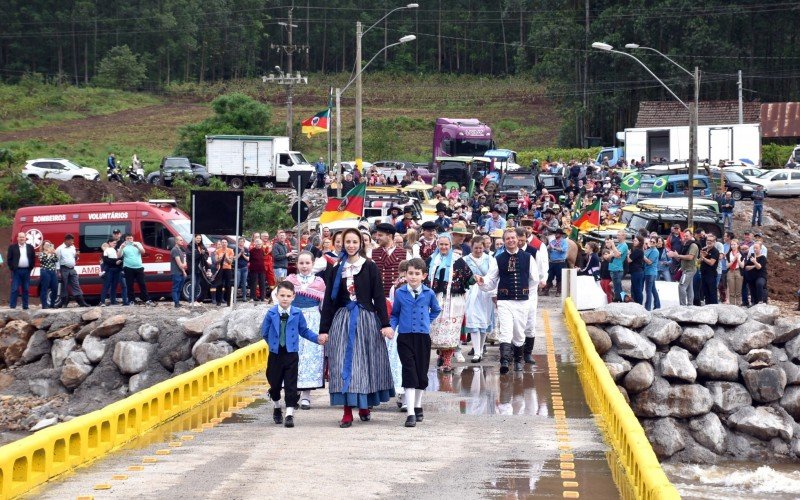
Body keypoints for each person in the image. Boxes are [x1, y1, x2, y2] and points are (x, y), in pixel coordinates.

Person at [319, 228, 395, 428]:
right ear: (342, 243)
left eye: (355, 242)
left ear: (361, 244)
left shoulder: (369, 266)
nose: (351, 245)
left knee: (364, 364)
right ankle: (346, 411)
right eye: (348, 241)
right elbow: (329, 301)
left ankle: (363, 405)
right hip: (343, 320)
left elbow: (378, 296)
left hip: (365, 320)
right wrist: (324, 329)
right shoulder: (336, 268)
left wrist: (385, 324)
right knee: (343, 364)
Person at [478, 228, 547, 374]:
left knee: (519, 333)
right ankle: (504, 360)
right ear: (504, 241)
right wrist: (482, 282)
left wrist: (525, 292)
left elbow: (534, 279)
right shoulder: (498, 259)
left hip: (522, 301)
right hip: (504, 301)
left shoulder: (528, 257)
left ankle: (518, 360)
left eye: (513, 238)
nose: (510, 240)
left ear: (518, 239)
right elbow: (491, 279)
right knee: (506, 331)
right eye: (507, 238)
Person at [261, 281, 328, 428]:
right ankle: (277, 406)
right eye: (282, 295)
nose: (285, 298)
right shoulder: (271, 313)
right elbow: (264, 332)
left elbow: (303, 330)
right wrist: (273, 343)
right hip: (275, 353)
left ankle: (289, 413)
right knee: (274, 383)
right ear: (277, 296)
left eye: (288, 296)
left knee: (291, 384)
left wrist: (317, 338)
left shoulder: (297, 313)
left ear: (293, 297)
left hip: (291, 353)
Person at [390, 258, 441, 427]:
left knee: (421, 373)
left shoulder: (429, 293)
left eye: (417, 274)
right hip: (404, 337)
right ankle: (410, 413)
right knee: (409, 372)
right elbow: (395, 313)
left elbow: (436, 309)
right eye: (410, 273)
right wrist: (391, 327)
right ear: (405, 275)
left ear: (423, 275)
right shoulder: (400, 293)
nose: (413, 277)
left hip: (422, 337)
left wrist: (427, 321)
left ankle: (418, 405)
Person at [274, 251, 327, 410]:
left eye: (307, 263)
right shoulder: (290, 280)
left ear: (312, 264)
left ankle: (306, 395)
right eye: (301, 263)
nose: (304, 266)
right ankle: (293, 391)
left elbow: (323, 305)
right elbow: (280, 298)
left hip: (312, 320)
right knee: (292, 354)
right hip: (293, 319)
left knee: (310, 355)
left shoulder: (319, 282)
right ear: (296, 264)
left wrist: (323, 325)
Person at [426, 233, 473, 372]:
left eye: (446, 244)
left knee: (450, 331)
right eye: (441, 244)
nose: (444, 247)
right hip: (435, 298)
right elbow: (423, 277)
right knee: (436, 329)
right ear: (437, 245)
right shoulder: (431, 260)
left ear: (450, 245)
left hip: (453, 300)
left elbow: (468, 276)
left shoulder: (457, 260)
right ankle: (441, 353)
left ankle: (447, 361)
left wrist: (476, 279)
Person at [463, 237, 494, 363]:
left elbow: (493, 277)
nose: (478, 250)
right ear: (471, 247)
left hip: (485, 292)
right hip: (471, 293)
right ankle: (476, 352)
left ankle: (480, 350)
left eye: (480, 248)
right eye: (476, 248)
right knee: (474, 321)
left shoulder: (490, 260)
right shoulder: (465, 260)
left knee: (484, 323)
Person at [371, 223, 407, 298]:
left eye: (380, 235)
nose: (377, 238)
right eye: (377, 235)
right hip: (378, 296)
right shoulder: (372, 253)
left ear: (390, 236)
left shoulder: (404, 253)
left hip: (397, 297)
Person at [118, 233, 153, 306]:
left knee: (142, 283)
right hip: (128, 267)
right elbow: (118, 256)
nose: (129, 240)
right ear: (125, 239)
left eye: (130, 238)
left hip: (139, 267)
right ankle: (131, 300)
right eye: (128, 238)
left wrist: (137, 246)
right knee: (129, 284)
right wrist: (121, 248)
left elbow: (143, 252)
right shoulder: (123, 245)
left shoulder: (137, 244)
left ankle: (146, 299)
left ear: (133, 238)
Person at [56, 234, 88, 307]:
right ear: (66, 240)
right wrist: (58, 272)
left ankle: (81, 302)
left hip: (72, 268)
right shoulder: (59, 249)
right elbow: (57, 261)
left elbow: (74, 258)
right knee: (64, 286)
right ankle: (64, 303)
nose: (72, 242)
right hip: (63, 268)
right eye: (71, 241)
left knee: (76, 284)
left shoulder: (72, 247)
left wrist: (76, 256)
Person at [668, 230, 698, 306]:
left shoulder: (693, 245)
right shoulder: (687, 245)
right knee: (689, 288)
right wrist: (675, 255)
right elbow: (682, 258)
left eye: (687, 236)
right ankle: (690, 305)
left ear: (691, 236)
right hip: (686, 269)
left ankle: (683, 306)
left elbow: (690, 257)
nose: (685, 237)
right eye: (684, 236)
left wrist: (677, 255)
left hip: (689, 270)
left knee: (681, 286)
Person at [7, 232, 35, 309]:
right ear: (17, 238)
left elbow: (33, 258)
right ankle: (12, 306)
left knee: (26, 289)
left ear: (25, 238)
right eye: (20, 237)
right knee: (15, 288)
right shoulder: (12, 247)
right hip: (16, 271)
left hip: (26, 271)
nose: (22, 238)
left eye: (23, 237)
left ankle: (25, 306)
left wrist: (30, 267)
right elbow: (9, 259)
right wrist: (12, 268)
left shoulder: (30, 247)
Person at [543, 228, 568, 295]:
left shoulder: (564, 242)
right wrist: (547, 248)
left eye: (557, 233)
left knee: (559, 277)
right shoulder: (552, 241)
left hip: (560, 262)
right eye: (555, 233)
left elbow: (563, 250)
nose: (556, 234)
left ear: (561, 234)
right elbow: (547, 248)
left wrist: (554, 247)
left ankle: (558, 291)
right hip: (552, 262)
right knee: (549, 276)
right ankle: (546, 290)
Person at [100, 237, 124, 306]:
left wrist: (119, 263)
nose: (115, 244)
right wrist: (116, 262)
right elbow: (106, 260)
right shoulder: (106, 251)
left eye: (115, 243)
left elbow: (120, 258)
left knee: (114, 286)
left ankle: (113, 301)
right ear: (109, 243)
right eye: (113, 243)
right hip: (109, 270)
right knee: (106, 286)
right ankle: (102, 301)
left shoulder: (115, 250)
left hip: (117, 270)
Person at [698, 234, 720, 304]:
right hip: (703, 274)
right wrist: (702, 257)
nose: (709, 242)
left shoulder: (715, 251)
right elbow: (698, 262)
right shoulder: (703, 249)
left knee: (712, 294)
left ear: (714, 242)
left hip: (711, 275)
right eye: (707, 240)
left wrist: (703, 258)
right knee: (706, 293)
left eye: (711, 240)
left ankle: (715, 309)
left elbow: (711, 263)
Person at [607, 231, 628, 302]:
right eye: (617, 235)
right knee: (617, 287)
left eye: (619, 235)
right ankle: (623, 300)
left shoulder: (624, 245)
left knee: (617, 288)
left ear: (623, 236)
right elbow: (610, 255)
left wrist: (612, 245)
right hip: (613, 269)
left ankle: (620, 301)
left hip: (617, 269)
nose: (617, 236)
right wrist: (613, 252)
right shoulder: (619, 245)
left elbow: (617, 255)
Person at [38, 241, 59, 309]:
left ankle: (52, 304)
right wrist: (48, 253)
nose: (47, 246)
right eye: (46, 245)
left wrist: (54, 253)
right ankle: (44, 305)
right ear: (43, 246)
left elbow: (56, 260)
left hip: (53, 271)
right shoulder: (41, 253)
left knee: (55, 288)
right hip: (45, 271)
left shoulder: (52, 253)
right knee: (44, 288)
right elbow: (42, 260)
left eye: (49, 245)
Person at [213, 239, 234, 306]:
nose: (224, 244)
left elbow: (230, 262)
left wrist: (226, 257)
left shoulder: (231, 250)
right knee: (219, 285)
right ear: (221, 243)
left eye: (225, 242)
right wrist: (221, 258)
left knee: (228, 285)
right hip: (220, 269)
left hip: (228, 269)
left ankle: (228, 301)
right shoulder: (217, 251)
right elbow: (216, 261)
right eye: (223, 242)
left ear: (227, 243)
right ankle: (218, 301)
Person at [643, 237, 660, 310]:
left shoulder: (655, 251)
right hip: (648, 272)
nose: (652, 243)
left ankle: (648, 307)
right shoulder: (649, 249)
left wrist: (643, 256)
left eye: (653, 242)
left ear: (656, 243)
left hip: (651, 272)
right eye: (651, 241)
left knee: (648, 290)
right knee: (653, 289)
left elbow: (649, 262)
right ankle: (657, 305)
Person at [171, 236, 188, 307]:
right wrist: (184, 265)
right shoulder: (175, 250)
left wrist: (184, 272)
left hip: (181, 272)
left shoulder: (180, 250)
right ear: (176, 241)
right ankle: (176, 302)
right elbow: (180, 264)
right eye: (180, 240)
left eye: (182, 240)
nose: (182, 241)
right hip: (176, 273)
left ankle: (177, 301)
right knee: (175, 288)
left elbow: (183, 263)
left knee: (179, 289)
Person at [628, 236, 645, 305]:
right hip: (635, 272)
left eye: (635, 241)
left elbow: (629, 260)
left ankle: (639, 304)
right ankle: (635, 304)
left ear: (639, 242)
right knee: (634, 289)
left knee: (637, 289)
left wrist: (628, 254)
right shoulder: (637, 250)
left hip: (637, 272)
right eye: (634, 241)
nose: (633, 242)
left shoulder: (638, 250)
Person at [726, 239, 743, 306]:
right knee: (731, 290)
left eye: (734, 244)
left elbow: (742, 265)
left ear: (738, 245)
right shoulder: (728, 254)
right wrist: (734, 259)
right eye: (731, 244)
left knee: (738, 290)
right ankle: (732, 305)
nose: (733, 246)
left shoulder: (741, 254)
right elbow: (727, 266)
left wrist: (738, 259)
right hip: (730, 271)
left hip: (738, 271)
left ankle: (738, 305)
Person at [235, 237, 250, 301]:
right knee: (237, 283)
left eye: (242, 241)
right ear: (238, 242)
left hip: (244, 268)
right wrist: (240, 253)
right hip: (238, 268)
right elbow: (235, 258)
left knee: (244, 283)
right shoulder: (235, 249)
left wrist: (243, 254)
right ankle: (234, 297)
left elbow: (248, 259)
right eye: (240, 241)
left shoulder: (246, 249)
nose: (241, 243)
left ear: (244, 242)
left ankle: (244, 297)